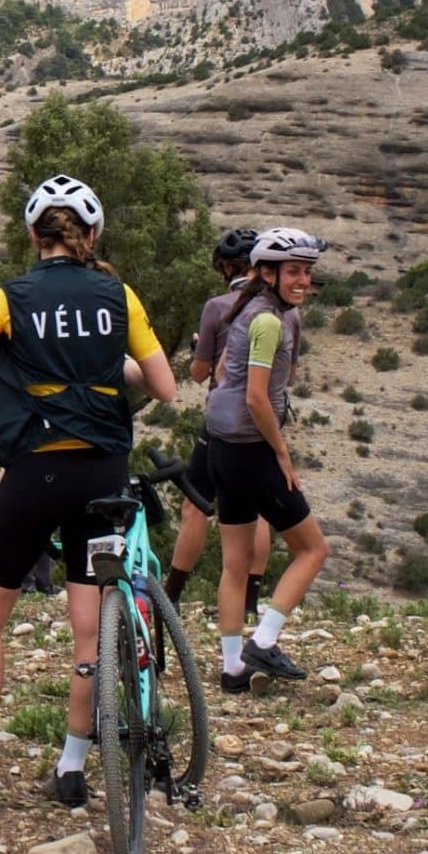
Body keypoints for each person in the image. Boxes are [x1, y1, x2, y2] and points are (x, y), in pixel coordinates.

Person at [0, 175, 177, 805]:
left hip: (36, 474)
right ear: (91, 235)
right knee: (89, 629)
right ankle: (71, 770)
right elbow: (163, 386)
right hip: (104, 475)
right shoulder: (120, 295)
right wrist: (101, 374)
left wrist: (2, 369)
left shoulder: (11, 297)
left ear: (34, 236)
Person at [204, 227, 330, 694]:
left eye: (307, 272)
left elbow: (220, 374)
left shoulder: (245, 310)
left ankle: (233, 668)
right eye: (293, 271)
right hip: (250, 451)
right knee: (313, 549)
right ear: (266, 272)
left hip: (221, 448)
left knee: (235, 563)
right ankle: (265, 639)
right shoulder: (271, 321)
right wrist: (282, 452)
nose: (302, 280)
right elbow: (257, 398)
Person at [164, 228, 271, 614]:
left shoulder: (217, 306)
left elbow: (198, 373)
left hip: (223, 420)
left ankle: (171, 595)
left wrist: (198, 348)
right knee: (255, 508)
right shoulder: (280, 308)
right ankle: (249, 602)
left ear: (227, 267)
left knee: (196, 505)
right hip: (266, 419)